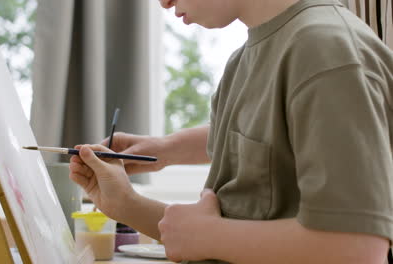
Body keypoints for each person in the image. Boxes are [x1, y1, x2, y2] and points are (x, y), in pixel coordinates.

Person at [69, 0, 393, 263]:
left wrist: (210, 237)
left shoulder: (326, 52)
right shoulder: (242, 62)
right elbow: (218, 233)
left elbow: (356, 249)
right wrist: (125, 203)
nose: (163, 2)